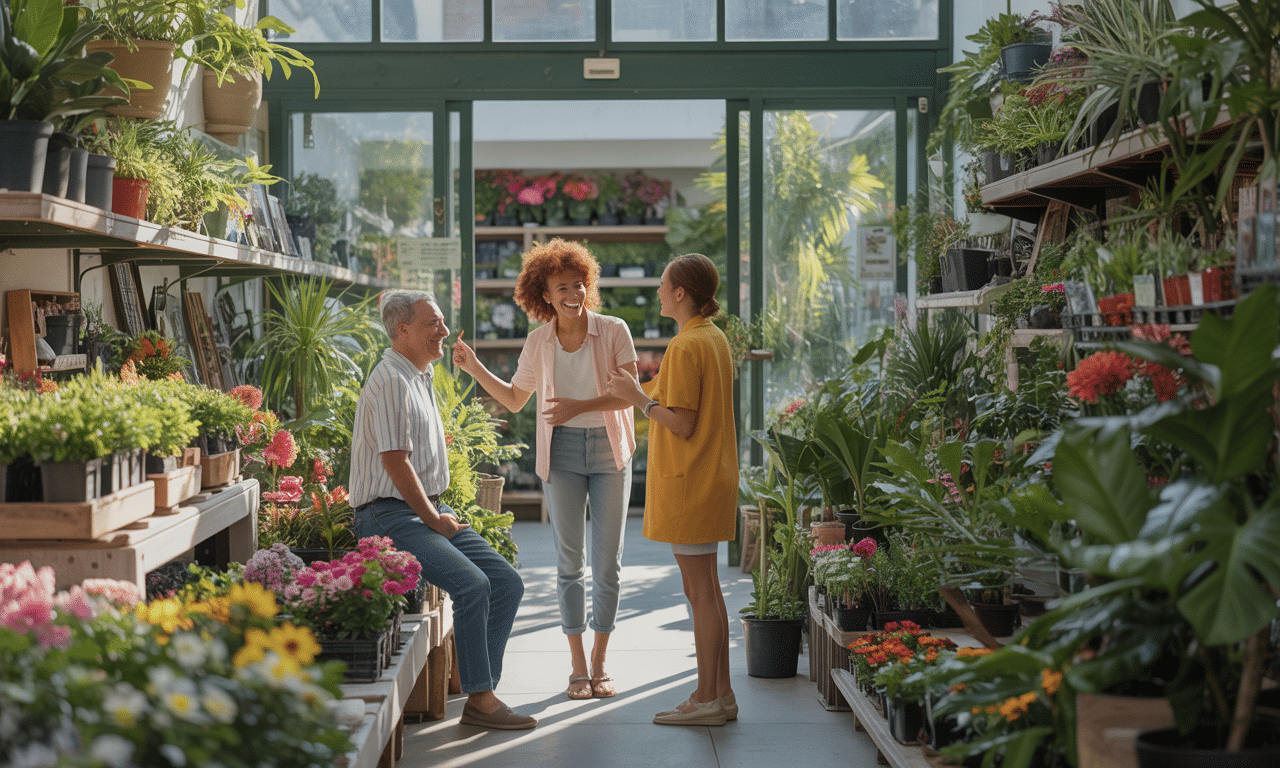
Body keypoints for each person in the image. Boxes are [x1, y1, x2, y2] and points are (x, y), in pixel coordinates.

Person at [452, 238, 639, 701]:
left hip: (610, 451)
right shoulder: (539, 341)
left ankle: (601, 662)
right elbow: (516, 399)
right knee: (570, 563)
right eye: (562, 288)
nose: (573, 294)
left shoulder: (614, 330)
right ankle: (577, 666)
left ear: (588, 283)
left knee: (608, 565)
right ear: (545, 295)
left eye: (578, 284)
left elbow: (630, 395)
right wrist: (474, 367)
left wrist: (579, 406)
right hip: (562, 454)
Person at [349, 289, 536, 730]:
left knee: (506, 582)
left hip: (427, 510)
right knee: (472, 585)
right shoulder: (391, 379)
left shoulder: (420, 374)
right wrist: (434, 520)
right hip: (387, 515)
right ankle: (482, 701)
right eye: (433, 323)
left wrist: (435, 514)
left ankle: (481, 690)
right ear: (403, 330)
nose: (445, 331)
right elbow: (395, 463)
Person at [605, 253, 739, 727]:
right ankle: (720, 694)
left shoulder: (685, 345)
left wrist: (637, 400)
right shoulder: (713, 337)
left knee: (700, 592)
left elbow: (682, 423)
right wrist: (638, 390)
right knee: (708, 590)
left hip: (692, 480)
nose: (659, 291)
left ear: (681, 293)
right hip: (712, 476)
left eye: (664, 285)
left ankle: (707, 699)